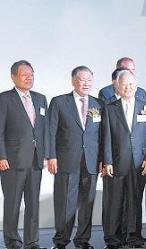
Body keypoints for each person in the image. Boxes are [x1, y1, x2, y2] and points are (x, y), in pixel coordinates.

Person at [46, 66, 105, 249]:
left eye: (89, 80)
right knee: (65, 204)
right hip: (66, 161)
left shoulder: (98, 104)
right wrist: (51, 156)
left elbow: (103, 136)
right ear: (73, 81)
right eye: (82, 79)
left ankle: (82, 240)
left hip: (91, 161)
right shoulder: (59, 102)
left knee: (87, 204)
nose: (86, 83)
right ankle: (61, 241)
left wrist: (103, 159)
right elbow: (50, 131)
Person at [102, 70, 146, 249]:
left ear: (136, 85)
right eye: (124, 84)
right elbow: (106, 137)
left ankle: (133, 236)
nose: (128, 88)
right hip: (117, 162)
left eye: (131, 84)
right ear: (117, 86)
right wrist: (107, 161)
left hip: (139, 163)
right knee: (115, 201)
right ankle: (113, 238)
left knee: (135, 200)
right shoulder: (110, 108)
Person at [0, 60, 48, 249]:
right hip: (12, 161)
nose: (29, 78)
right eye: (24, 74)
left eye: (31, 74)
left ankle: (32, 241)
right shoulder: (4, 99)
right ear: (13, 77)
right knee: (12, 204)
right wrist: (1, 156)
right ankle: (12, 242)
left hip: (35, 161)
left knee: (33, 204)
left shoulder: (40, 98)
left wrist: (46, 154)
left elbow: (43, 130)